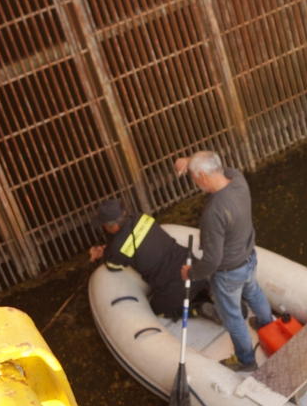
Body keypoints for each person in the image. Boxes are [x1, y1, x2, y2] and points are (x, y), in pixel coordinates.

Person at [175, 151, 274, 372]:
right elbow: (223, 168)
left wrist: (190, 273)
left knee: (233, 318)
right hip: (249, 259)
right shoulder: (238, 180)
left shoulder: (213, 213)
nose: (194, 182)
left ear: (202, 176)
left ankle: (245, 360)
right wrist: (189, 161)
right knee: (254, 291)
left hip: (229, 274)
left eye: (192, 177)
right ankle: (268, 325)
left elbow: (211, 261)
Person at [89, 198, 208, 318]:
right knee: (193, 286)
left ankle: (196, 310)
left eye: (103, 224)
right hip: (194, 267)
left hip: (175, 286)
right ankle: (208, 291)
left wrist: (102, 254)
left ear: (113, 226)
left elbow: (112, 266)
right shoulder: (141, 217)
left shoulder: (117, 248)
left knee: (156, 310)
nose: (103, 227)